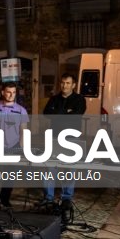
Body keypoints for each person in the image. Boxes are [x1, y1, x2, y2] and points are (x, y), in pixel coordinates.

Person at [41, 73, 86, 222]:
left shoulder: (80, 99)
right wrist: (66, 113)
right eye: (62, 83)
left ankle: (66, 199)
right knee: (50, 167)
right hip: (54, 138)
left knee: (69, 168)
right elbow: (46, 113)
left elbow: (77, 115)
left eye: (67, 83)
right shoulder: (54, 99)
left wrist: (59, 114)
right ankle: (48, 198)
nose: (64, 86)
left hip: (72, 139)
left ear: (73, 85)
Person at [0, 81, 29, 208]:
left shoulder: (21, 110)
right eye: (9, 92)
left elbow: (24, 131)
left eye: (14, 92)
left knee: (10, 176)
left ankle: (4, 200)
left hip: (13, 147)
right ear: (3, 92)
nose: (11, 95)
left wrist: (19, 146)